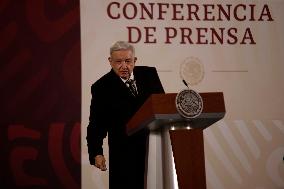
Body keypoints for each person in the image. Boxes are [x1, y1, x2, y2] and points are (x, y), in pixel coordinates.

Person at [86, 41, 165, 189]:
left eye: (128, 61)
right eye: (118, 62)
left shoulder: (149, 74)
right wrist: (96, 152)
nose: (124, 66)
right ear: (110, 62)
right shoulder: (101, 87)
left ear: (135, 60)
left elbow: (162, 107)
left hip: (154, 148)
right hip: (123, 154)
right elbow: (96, 124)